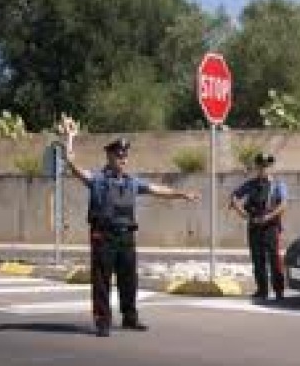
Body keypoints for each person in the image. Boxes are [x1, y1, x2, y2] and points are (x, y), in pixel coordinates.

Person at [58, 116, 200, 337]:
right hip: (103, 236)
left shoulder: (132, 182)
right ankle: (102, 322)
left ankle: (129, 318)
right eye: (118, 156)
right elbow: (72, 164)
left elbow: (157, 190)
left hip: (126, 237)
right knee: (102, 281)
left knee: (129, 279)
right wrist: (69, 138)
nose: (123, 159)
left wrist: (182, 194)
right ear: (109, 157)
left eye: (125, 156)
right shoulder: (97, 180)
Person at [229, 153, 288, 301]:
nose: (264, 168)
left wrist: (268, 217)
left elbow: (283, 205)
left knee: (275, 259)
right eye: (261, 165)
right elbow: (234, 196)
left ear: (271, 167)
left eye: (267, 165)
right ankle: (262, 290)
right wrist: (242, 213)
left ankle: (279, 291)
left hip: (271, 227)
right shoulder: (250, 184)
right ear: (257, 167)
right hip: (254, 225)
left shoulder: (278, 184)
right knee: (257, 259)